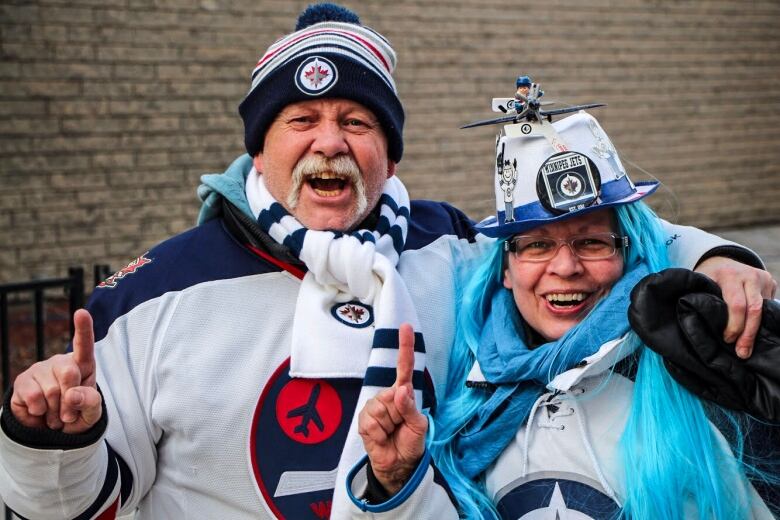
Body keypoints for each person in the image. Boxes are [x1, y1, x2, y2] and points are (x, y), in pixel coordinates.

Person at [0, 4, 774, 519]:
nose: (329, 142)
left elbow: (584, 238)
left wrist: (718, 257)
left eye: (357, 121)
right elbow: (75, 507)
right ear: (258, 151)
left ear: (387, 151)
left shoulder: (449, 248)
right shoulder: (152, 296)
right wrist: (55, 441)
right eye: (300, 119)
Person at [350, 110, 778, 518]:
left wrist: (715, 259)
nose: (565, 267)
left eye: (592, 243)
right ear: (505, 269)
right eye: (536, 245)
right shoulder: (470, 400)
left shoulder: (704, 374)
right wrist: (396, 483)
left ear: (627, 254)